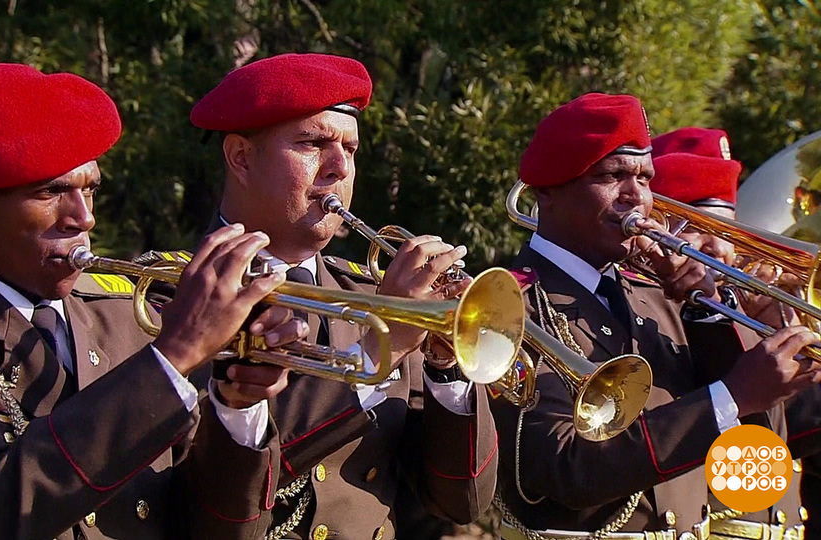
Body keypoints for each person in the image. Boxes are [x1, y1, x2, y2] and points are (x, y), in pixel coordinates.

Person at [0, 63, 305, 540]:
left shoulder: (123, 313)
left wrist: (237, 406)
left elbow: (212, 528)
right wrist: (174, 357)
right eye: (51, 192)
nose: (83, 218)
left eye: (89, 189)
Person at [179, 52, 499, 540]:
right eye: (312, 143)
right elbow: (214, 493)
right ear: (241, 157)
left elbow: (462, 502)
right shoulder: (174, 295)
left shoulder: (368, 294)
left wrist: (447, 369)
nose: (338, 169)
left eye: (350, 150)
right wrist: (378, 348)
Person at [491, 93, 821, 538]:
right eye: (613, 176)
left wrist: (709, 315)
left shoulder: (657, 297)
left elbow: (751, 452)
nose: (637, 196)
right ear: (546, 190)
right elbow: (560, 469)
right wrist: (733, 394)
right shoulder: (511, 304)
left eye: (645, 178)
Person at [651, 126, 821, 539]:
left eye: (728, 231)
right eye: (698, 227)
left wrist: (784, 334)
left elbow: (798, 437)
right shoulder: (654, 314)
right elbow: (742, 467)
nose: (720, 248)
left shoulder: (745, 308)